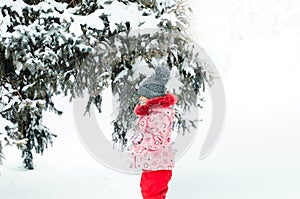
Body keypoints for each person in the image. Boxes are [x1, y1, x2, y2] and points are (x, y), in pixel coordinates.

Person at [126, 66, 177, 199]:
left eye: (143, 96)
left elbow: (158, 140)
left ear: (152, 97)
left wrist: (139, 137)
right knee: (148, 192)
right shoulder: (151, 113)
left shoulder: (160, 115)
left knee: (152, 194)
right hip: (152, 162)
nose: (140, 99)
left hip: (159, 164)